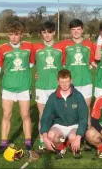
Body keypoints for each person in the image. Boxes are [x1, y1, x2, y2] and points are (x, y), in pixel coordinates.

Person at [0, 20, 34, 154]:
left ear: (21, 35)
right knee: (6, 115)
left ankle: (28, 144)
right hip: (8, 88)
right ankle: (3, 143)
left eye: (17, 34)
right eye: (11, 34)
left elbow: (31, 64)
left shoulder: (29, 47)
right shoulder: (2, 48)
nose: (14, 37)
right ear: (8, 35)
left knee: (25, 115)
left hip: (24, 88)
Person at [40, 69, 89, 159]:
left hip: (74, 125)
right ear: (57, 82)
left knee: (72, 136)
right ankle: (61, 148)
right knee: (50, 135)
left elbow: (83, 118)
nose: (65, 84)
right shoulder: (53, 97)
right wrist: (45, 138)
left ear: (71, 81)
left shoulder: (78, 96)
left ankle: (75, 147)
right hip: (60, 125)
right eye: (62, 82)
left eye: (67, 81)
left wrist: (78, 138)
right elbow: (45, 118)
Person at [31, 21, 63, 151]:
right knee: (42, 115)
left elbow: (66, 65)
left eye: (49, 32)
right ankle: (42, 140)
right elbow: (28, 65)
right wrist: (34, 75)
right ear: (41, 33)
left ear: (54, 32)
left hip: (56, 87)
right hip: (41, 86)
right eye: (44, 32)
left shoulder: (60, 48)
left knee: (58, 115)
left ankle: (58, 139)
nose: (47, 35)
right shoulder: (36, 48)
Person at [58, 19, 96, 124]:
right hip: (70, 83)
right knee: (69, 109)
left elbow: (93, 62)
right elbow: (56, 61)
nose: (76, 32)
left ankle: (86, 133)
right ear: (70, 31)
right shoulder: (63, 44)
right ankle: (70, 133)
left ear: (82, 30)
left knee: (86, 108)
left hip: (86, 81)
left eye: (78, 29)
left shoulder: (89, 44)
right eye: (73, 29)